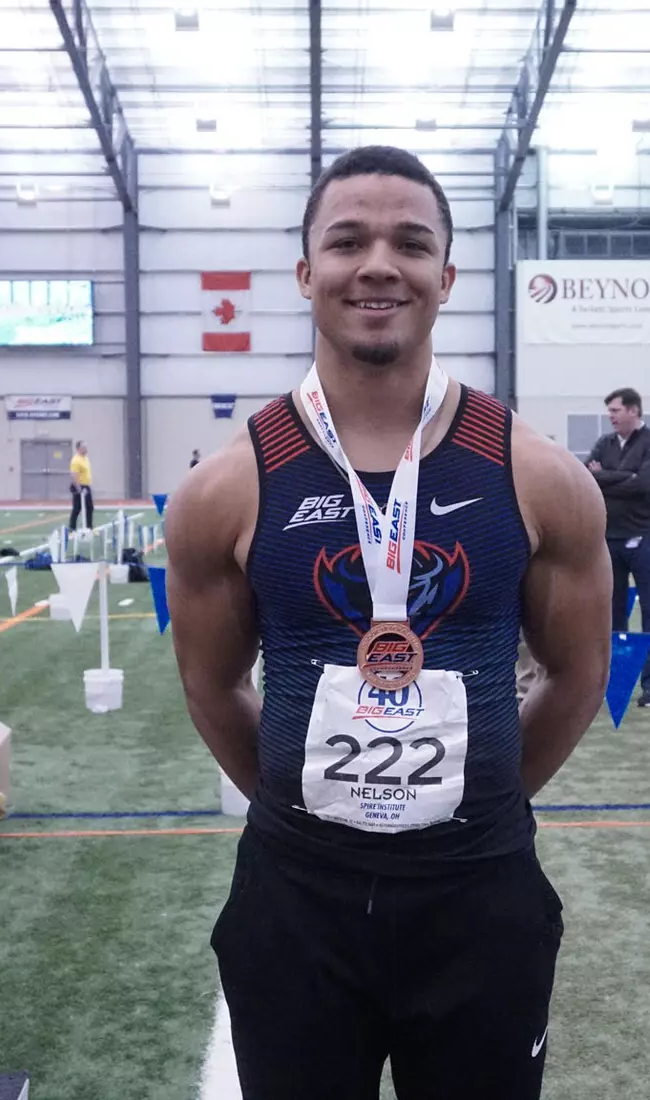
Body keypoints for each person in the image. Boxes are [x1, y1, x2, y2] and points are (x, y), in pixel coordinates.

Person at [164, 145, 610, 1100]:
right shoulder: (224, 487)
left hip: (481, 898)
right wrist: (310, 805)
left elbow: (576, 679)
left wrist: (473, 799)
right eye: (347, 241)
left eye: (410, 243)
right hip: (297, 904)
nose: (378, 264)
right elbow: (210, 682)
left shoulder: (539, 476)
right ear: (304, 273)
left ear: (445, 277)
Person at [586, 387, 650, 709]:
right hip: (610, 538)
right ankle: (618, 682)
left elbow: (644, 484)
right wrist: (622, 477)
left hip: (645, 537)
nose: (611, 417)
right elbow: (586, 477)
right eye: (609, 412)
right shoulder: (604, 444)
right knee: (613, 614)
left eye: (616, 411)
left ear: (634, 411)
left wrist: (605, 477)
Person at [69, 440, 95, 531]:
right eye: (84, 447)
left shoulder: (85, 458)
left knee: (89, 507)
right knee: (77, 508)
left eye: (86, 447)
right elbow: (74, 474)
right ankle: (72, 528)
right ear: (78, 448)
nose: (86, 449)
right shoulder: (76, 460)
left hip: (86, 486)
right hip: (80, 486)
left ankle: (89, 527)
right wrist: (78, 488)